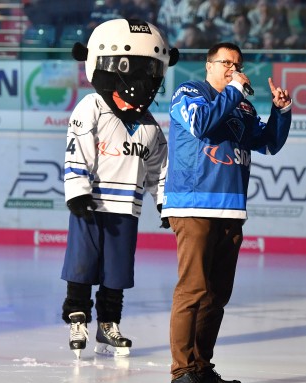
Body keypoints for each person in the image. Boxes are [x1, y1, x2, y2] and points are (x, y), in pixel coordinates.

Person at [161, 42, 292, 383]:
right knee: (193, 290)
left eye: (237, 64)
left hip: (231, 208)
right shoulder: (188, 93)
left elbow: (268, 144)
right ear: (208, 66)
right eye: (225, 63)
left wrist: (281, 112)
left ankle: (201, 367)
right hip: (194, 205)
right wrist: (234, 90)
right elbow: (201, 125)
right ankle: (181, 371)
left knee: (217, 295)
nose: (233, 68)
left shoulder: (242, 105)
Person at [60, 18, 178, 359]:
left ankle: (108, 323)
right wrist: (78, 190)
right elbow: (77, 148)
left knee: (118, 271)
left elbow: (159, 169)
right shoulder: (91, 107)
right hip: (92, 204)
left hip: (126, 207)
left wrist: (164, 204)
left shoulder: (150, 126)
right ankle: (77, 319)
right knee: (82, 264)